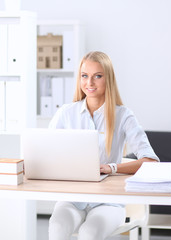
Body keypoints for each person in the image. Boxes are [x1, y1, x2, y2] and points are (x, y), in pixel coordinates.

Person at [48, 51, 159, 240]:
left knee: (89, 233)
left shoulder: (123, 115)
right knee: (57, 226)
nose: (89, 83)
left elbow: (150, 161)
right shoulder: (66, 113)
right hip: (73, 198)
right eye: (85, 76)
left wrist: (112, 168)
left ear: (108, 79)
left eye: (97, 76)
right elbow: (45, 151)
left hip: (108, 203)